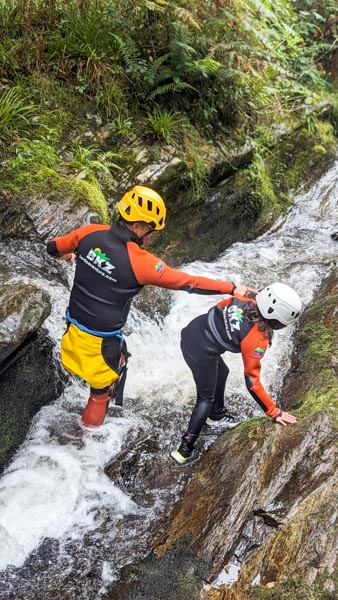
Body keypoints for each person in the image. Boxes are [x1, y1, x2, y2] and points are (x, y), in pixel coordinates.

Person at [47, 185, 257, 427]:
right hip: (101, 343)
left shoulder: (88, 233)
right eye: (150, 231)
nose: (150, 237)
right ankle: (87, 443)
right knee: (100, 393)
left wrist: (74, 256)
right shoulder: (142, 263)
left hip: (72, 333)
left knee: (108, 371)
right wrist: (231, 288)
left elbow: (53, 248)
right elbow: (188, 282)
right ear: (137, 226)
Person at [171, 282, 302, 465]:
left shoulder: (241, 300)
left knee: (222, 371)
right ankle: (185, 449)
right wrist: (274, 411)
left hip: (191, 332)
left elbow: (217, 309)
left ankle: (217, 414)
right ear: (276, 322)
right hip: (200, 352)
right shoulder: (257, 340)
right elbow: (252, 382)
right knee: (205, 399)